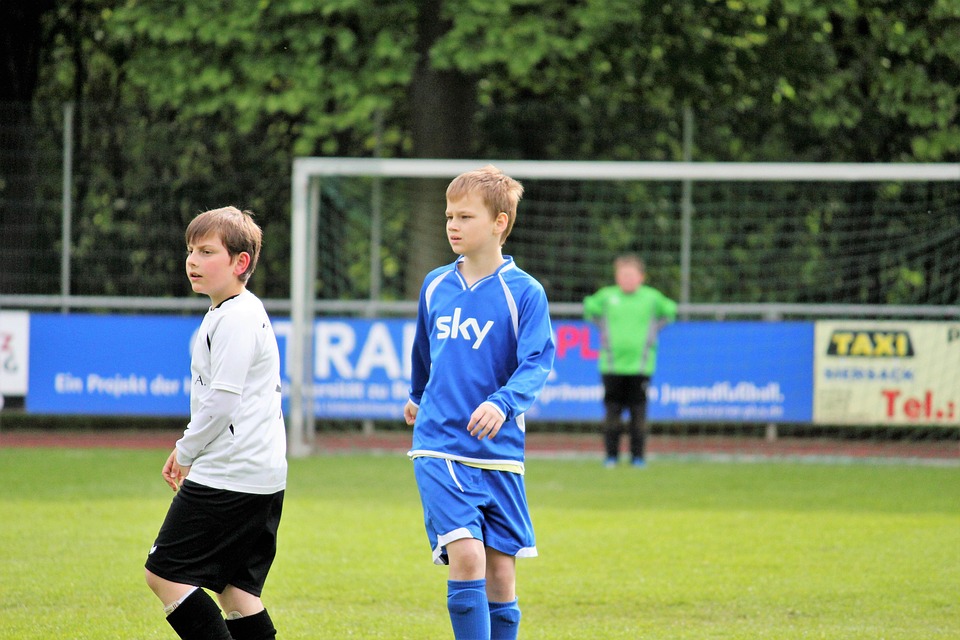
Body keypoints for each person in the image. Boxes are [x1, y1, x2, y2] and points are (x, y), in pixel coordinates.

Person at [403, 165, 556, 640]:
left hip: (501, 451)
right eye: (449, 215)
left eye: (465, 216)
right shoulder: (435, 285)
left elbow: (537, 362)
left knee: (501, 573)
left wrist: (504, 403)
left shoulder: (525, 293)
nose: (452, 225)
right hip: (441, 444)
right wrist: (416, 395)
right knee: (466, 554)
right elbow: (424, 351)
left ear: (499, 224)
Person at [144, 206, 287, 640]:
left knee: (164, 573)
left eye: (207, 251)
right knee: (236, 593)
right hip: (258, 475)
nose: (192, 260)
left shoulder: (236, 318)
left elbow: (222, 403)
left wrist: (185, 451)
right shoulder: (232, 311)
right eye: (190, 250)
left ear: (240, 263)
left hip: (230, 475)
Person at [583, 254, 677, 468]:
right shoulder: (607, 297)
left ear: (641, 277)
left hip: (640, 367)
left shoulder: (651, 298)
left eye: (631, 275)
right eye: (622, 274)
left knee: (638, 416)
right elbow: (589, 308)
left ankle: (638, 458)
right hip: (611, 366)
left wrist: (654, 330)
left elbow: (670, 311)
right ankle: (611, 457)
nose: (626, 279)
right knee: (612, 415)